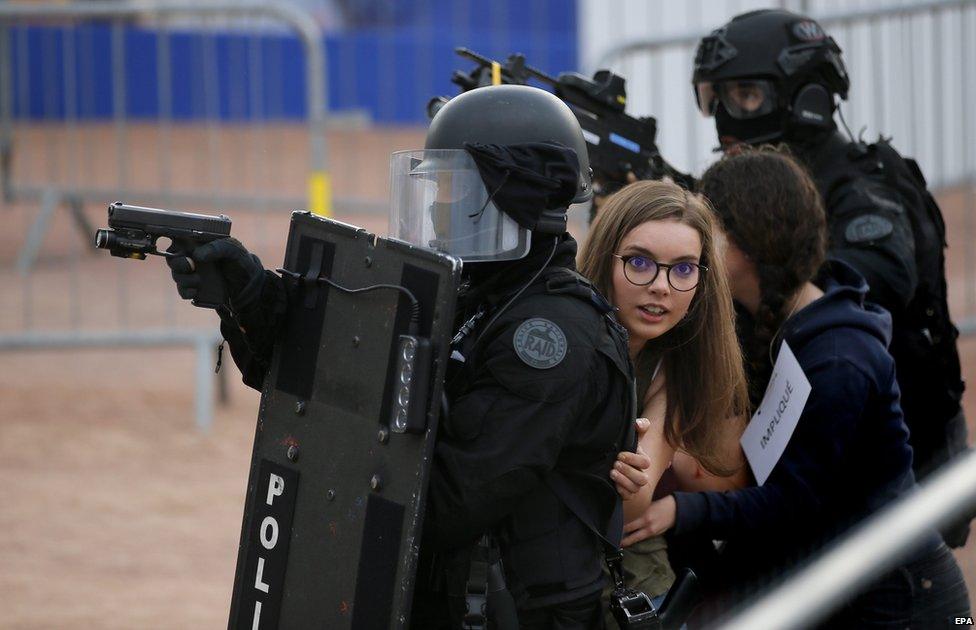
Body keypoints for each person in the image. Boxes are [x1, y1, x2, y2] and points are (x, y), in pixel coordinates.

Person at [168, 84, 636, 629]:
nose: (437, 209)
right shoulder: (473, 295)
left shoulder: (552, 336)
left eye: (454, 189)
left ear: (517, 194)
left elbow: (444, 502)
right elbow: (333, 387)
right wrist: (250, 296)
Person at [624, 148, 970, 627]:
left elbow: (795, 503)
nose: (697, 246)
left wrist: (681, 511)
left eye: (710, 232)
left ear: (749, 242)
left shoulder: (836, 360)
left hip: (903, 604)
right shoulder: (786, 326)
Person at [692, 8, 970, 546]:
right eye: (716, 98)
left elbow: (881, 279)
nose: (727, 117)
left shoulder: (866, 184)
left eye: (746, 94)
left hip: (902, 450)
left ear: (808, 98)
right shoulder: (767, 190)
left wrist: (751, 252)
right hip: (818, 446)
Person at [576, 179, 750, 623]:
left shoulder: (677, 364)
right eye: (639, 262)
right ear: (605, 259)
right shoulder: (564, 340)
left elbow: (630, 511)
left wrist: (633, 482)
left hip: (630, 578)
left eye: (684, 269)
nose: (661, 287)